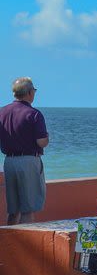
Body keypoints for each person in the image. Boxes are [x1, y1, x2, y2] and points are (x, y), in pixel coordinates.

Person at [0, 77, 49, 225]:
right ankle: (27, 244)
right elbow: (41, 142)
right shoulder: (33, 114)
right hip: (28, 162)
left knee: (13, 210)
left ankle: (8, 245)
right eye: (33, 90)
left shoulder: (2, 112)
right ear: (29, 92)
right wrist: (47, 138)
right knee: (28, 209)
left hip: (9, 162)